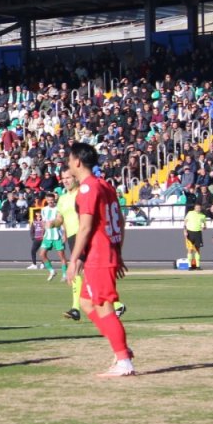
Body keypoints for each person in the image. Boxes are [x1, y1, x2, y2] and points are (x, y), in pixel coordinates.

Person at [65, 142, 135, 377]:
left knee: (104, 307)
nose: (68, 163)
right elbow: (120, 222)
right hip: (106, 253)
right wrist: (118, 252)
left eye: (69, 159)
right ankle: (120, 347)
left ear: (77, 162)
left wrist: (74, 260)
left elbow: (85, 228)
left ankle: (123, 360)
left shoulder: (87, 188)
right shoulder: (105, 185)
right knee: (86, 303)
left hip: (99, 256)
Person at [38, 194, 67, 281]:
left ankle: (65, 274)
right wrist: (42, 233)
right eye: (48, 200)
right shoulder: (44, 210)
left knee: (61, 256)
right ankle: (52, 271)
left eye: (52, 199)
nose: (50, 201)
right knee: (42, 254)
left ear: (54, 200)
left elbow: (63, 222)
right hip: (47, 236)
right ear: (46, 200)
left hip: (57, 236)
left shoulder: (59, 209)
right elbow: (44, 222)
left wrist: (64, 234)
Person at [184, 202, 208, 270]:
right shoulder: (190, 213)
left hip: (198, 233)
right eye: (197, 208)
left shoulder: (203, 216)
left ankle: (198, 266)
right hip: (190, 232)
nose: (198, 209)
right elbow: (185, 222)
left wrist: (204, 227)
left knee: (197, 249)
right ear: (194, 208)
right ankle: (189, 266)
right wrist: (185, 231)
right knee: (190, 249)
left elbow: (205, 226)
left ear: (201, 208)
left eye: (199, 208)